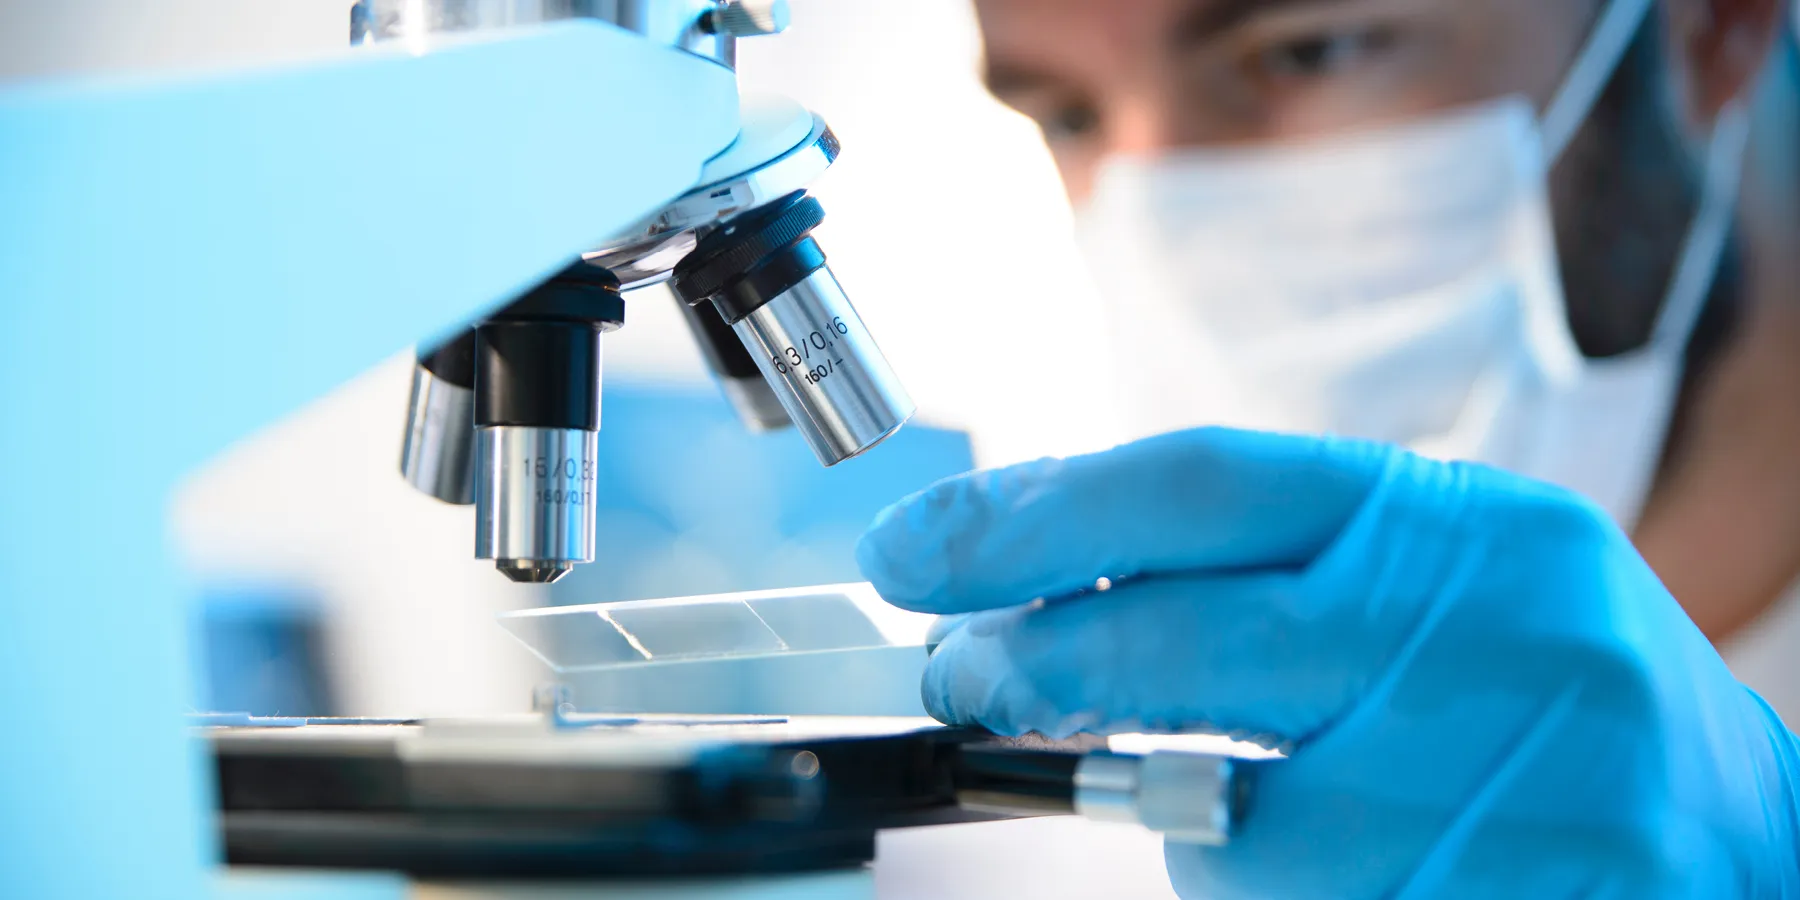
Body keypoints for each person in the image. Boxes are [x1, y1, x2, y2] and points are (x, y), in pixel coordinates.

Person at [855, 0, 1800, 895]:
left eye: (1310, 50)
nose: (1159, 214)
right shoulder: (1110, 817)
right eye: (1068, 115)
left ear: (1716, 23)